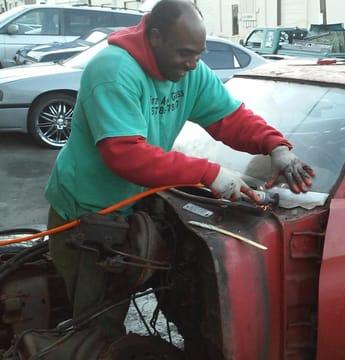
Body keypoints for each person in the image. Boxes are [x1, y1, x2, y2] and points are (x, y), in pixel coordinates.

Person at [43, 0, 314, 343]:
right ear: (155, 38)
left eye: (199, 54)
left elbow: (229, 118)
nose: (193, 63)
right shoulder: (113, 71)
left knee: (116, 310)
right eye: (186, 53)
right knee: (97, 325)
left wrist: (275, 147)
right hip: (85, 214)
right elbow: (126, 154)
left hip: (130, 208)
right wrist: (208, 173)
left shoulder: (190, 71)